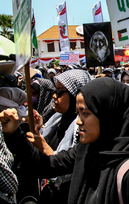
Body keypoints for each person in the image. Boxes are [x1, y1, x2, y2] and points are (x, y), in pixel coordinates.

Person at [1, 77, 129, 204]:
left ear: (109, 116)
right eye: (78, 113)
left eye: (86, 113)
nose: (78, 121)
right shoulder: (87, 149)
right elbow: (46, 165)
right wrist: (14, 133)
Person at [27, 69, 92, 204]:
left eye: (60, 92)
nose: (54, 97)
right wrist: (38, 132)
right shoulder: (57, 119)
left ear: (76, 94)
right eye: (55, 92)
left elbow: (65, 164)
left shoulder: (84, 127)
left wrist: (44, 146)